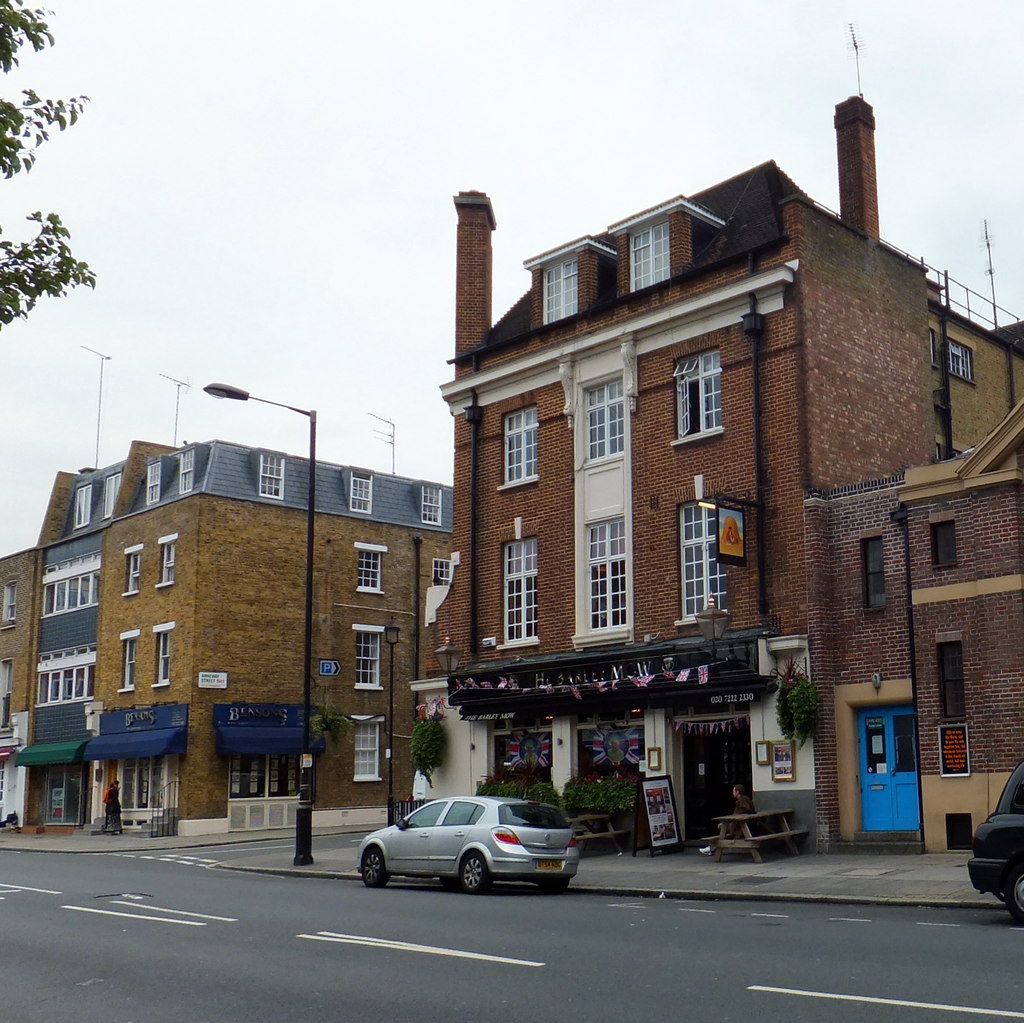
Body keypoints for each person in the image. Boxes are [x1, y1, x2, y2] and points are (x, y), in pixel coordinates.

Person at [700, 783, 755, 855]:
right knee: (723, 831)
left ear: (737, 792)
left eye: (733, 791)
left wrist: (732, 831)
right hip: (745, 826)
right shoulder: (747, 800)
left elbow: (736, 818)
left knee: (721, 827)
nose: (732, 793)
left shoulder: (741, 803)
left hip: (740, 827)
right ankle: (711, 848)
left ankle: (711, 848)